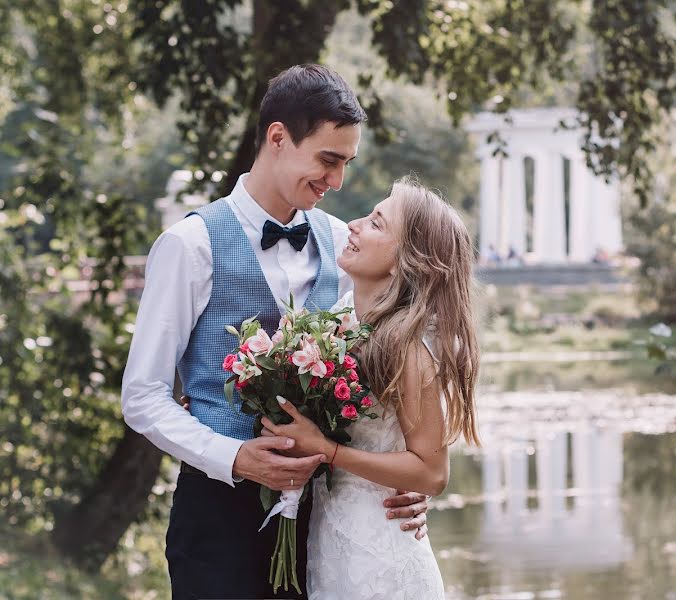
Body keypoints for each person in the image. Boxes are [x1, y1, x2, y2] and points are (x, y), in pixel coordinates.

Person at [121, 65, 428, 600]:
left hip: (326, 523)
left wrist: (398, 482)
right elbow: (142, 397)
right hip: (217, 519)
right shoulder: (189, 245)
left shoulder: (343, 242)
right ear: (278, 137)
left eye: (346, 164)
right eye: (328, 161)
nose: (337, 182)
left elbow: (384, 375)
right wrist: (234, 457)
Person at [261, 177, 481, 599]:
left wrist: (327, 450)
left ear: (405, 261)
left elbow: (432, 473)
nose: (354, 225)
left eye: (377, 224)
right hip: (331, 539)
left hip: (379, 555)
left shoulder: (407, 348)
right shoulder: (342, 321)